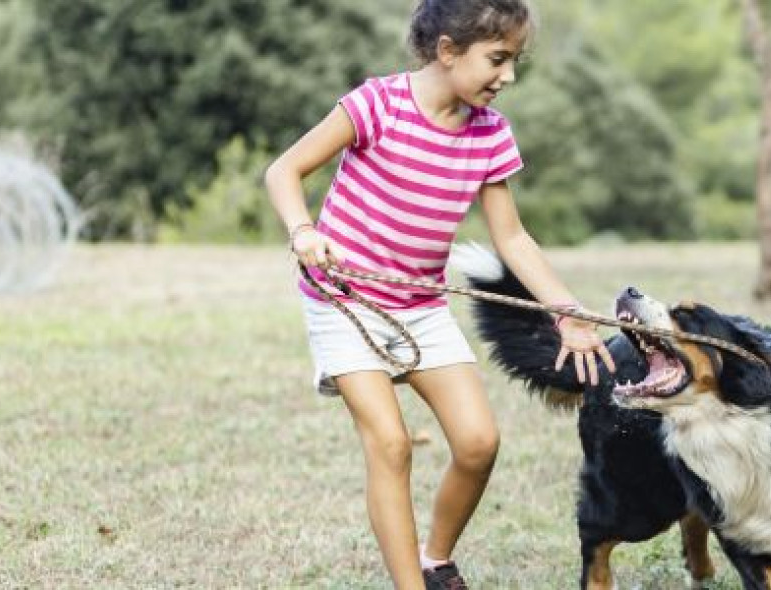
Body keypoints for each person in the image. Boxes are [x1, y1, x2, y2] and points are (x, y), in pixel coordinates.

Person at [263, 1, 615, 588]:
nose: (508, 76)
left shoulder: (490, 133)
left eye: (515, 61)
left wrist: (567, 313)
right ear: (448, 50)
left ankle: (434, 560)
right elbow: (283, 170)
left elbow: (512, 238)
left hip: (420, 307)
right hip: (344, 301)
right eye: (497, 59)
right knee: (391, 444)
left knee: (479, 443)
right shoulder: (378, 103)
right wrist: (303, 231)